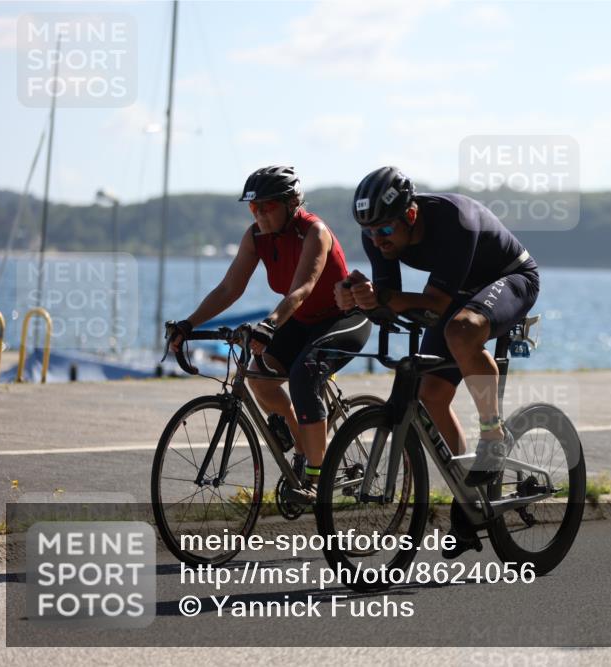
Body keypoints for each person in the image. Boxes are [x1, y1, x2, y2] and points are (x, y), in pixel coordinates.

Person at [335, 166, 539, 557]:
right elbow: (389, 299)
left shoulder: (453, 222)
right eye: (370, 232)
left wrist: (380, 298)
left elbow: (436, 304)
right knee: (431, 395)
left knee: (460, 331)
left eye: (385, 230)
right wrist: (355, 297)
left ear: (410, 214)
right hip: (460, 289)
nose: (377, 240)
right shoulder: (376, 233)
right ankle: (468, 495)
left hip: (510, 278)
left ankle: (493, 436)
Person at [169, 165, 371, 502]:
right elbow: (229, 288)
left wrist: (270, 323)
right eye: (254, 207)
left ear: (291, 203)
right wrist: (189, 324)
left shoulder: (314, 232)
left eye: (267, 207)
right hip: (301, 320)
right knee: (258, 376)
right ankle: (302, 446)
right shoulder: (256, 237)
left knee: (304, 376)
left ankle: (316, 479)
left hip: (342, 319)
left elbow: (302, 289)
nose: (259, 215)